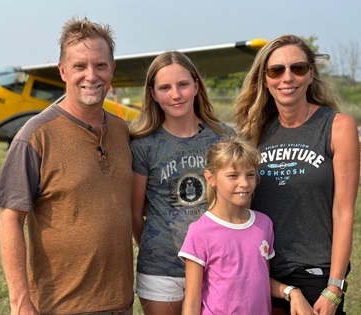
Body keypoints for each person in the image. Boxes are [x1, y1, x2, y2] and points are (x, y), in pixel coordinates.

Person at [0, 17, 134, 315]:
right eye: (80, 66)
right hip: (59, 306)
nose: (91, 76)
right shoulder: (35, 136)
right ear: (63, 71)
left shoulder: (124, 132)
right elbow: (10, 220)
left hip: (121, 303)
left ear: (112, 70)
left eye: (101, 66)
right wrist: (20, 303)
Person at [234, 34, 360, 315]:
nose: (287, 78)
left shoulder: (338, 127)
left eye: (298, 68)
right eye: (276, 70)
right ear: (265, 79)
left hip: (315, 276)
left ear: (311, 74)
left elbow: (343, 212)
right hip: (262, 274)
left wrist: (335, 287)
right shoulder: (252, 132)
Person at [129, 51, 235, 315]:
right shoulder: (144, 144)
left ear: (196, 86)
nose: (176, 95)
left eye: (183, 85)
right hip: (161, 271)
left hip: (217, 266)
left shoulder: (224, 137)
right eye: (165, 87)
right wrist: (159, 249)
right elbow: (134, 213)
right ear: (152, 93)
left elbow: (237, 203)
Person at [178, 137, 317, 315]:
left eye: (250, 174)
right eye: (233, 175)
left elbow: (261, 281)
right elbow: (191, 303)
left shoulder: (263, 224)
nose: (244, 183)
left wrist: (292, 292)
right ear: (210, 178)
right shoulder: (199, 232)